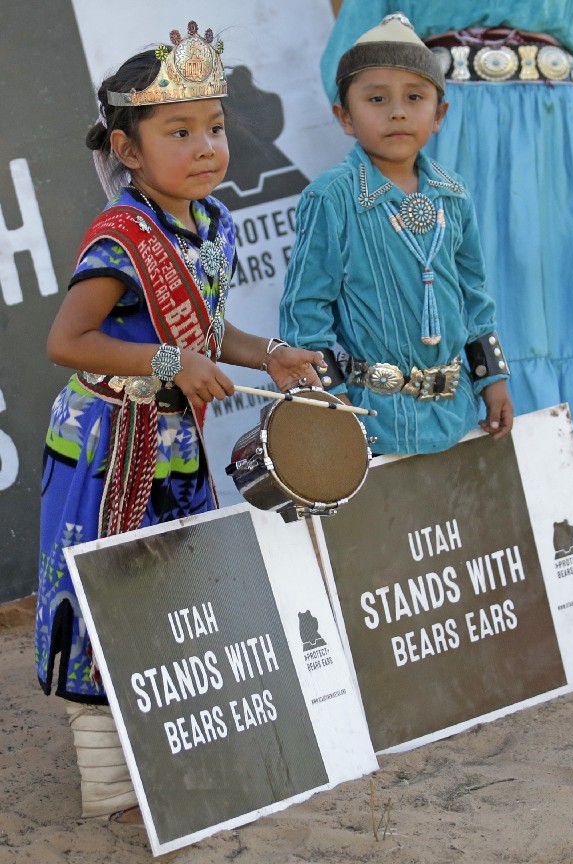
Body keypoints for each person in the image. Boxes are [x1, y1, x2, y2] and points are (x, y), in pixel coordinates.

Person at [35, 21, 323, 824]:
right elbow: (68, 341)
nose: (206, 146)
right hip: (105, 452)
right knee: (102, 602)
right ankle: (110, 791)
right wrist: (165, 365)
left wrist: (267, 355)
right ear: (127, 150)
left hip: (171, 445)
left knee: (175, 598)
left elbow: (204, 329)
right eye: (180, 131)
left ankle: (168, 759)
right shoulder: (120, 237)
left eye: (216, 128)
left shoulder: (214, 225)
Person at [320, 0, 573, 520]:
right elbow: (350, 61)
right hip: (448, 134)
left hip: (565, 140)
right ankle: (481, 501)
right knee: (455, 288)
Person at [280, 14, 513, 461]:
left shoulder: (453, 194)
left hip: (457, 412)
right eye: (376, 99)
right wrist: (332, 400)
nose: (398, 111)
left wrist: (492, 377)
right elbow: (305, 309)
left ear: (439, 114)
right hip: (370, 419)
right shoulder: (332, 197)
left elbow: (474, 294)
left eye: (414, 97)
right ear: (344, 116)